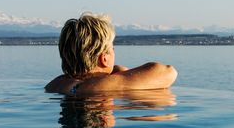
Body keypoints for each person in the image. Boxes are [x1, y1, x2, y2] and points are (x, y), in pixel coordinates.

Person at [44, 12, 177, 95]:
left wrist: (118, 72)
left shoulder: (57, 83)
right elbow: (168, 72)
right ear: (104, 58)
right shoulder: (95, 87)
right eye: (112, 48)